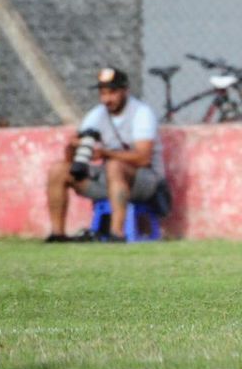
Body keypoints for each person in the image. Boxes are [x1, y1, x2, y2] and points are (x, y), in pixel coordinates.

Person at [44, 66, 166, 242]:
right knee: (58, 170)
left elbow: (143, 158)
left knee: (114, 166)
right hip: (109, 180)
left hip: (145, 181)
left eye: (112, 92)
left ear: (125, 90)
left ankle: (116, 234)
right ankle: (57, 234)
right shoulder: (96, 115)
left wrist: (105, 153)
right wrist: (73, 147)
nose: (107, 99)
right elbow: (72, 160)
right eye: (103, 93)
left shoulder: (141, 113)